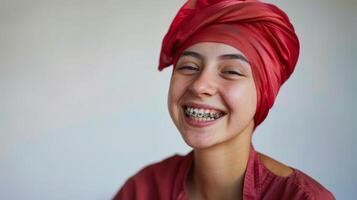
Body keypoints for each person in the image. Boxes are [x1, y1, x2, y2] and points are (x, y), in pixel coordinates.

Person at [113, 0, 335, 199]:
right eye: (189, 67)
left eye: (231, 71)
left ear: (264, 92)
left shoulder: (300, 197)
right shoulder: (142, 190)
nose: (200, 85)